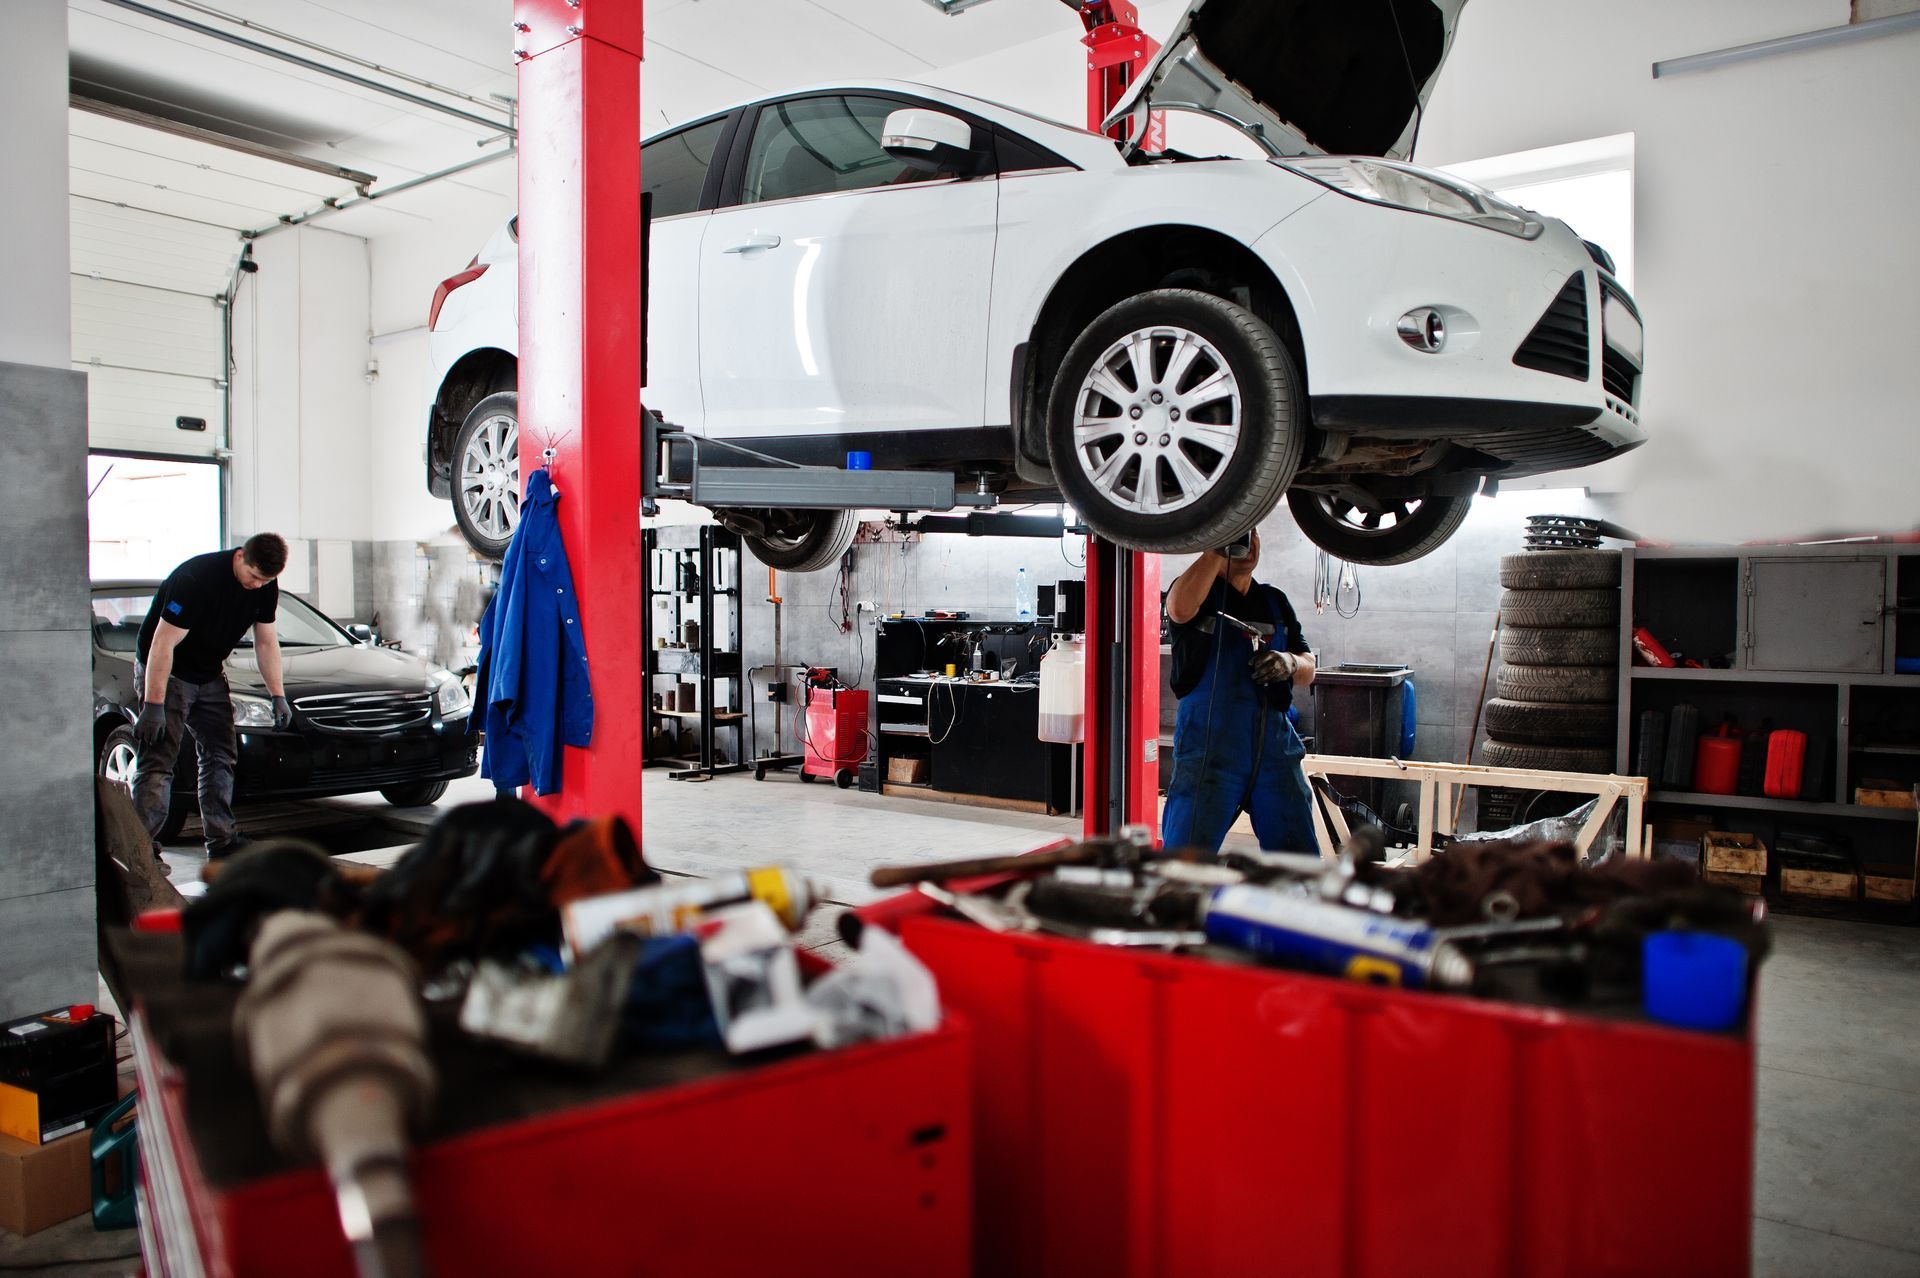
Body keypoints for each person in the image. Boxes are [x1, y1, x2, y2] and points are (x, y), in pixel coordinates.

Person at [132, 533, 293, 859]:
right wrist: (153, 704)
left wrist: (278, 695)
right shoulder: (195, 579)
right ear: (239, 557)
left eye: (265, 580)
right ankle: (139, 851)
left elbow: (265, 642)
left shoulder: (264, 586)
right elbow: (162, 644)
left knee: (220, 756)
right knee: (159, 761)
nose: (257, 586)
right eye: (253, 577)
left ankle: (222, 842)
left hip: (209, 674)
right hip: (169, 672)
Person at [1161, 529, 1317, 854]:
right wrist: (1218, 547)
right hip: (1209, 749)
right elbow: (1178, 609)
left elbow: (1308, 668)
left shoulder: (1274, 601)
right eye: (1240, 535)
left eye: (1252, 535)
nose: (1249, 543)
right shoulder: (1197, 592)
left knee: (1296, 859)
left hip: (1276, 749)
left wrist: (1289, 662)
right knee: (1185, 861)